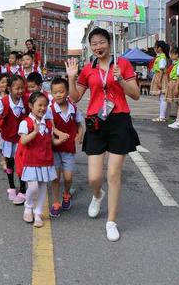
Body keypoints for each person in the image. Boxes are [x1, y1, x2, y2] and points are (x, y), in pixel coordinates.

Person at [66, 27, 140, 242]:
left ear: (110, 42)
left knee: (113, 175)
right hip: (96, 122)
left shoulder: (123, 64)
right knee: (94, 178)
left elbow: (135, 95)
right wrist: (72, 79)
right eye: (94, 43)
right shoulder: (88, 69)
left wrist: (121, 81)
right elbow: (75, 98)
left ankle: (111, 221)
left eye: (102, 42)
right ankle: (98, 195)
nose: (98, 47)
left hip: (119, 121)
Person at [16, 92, 65, 228]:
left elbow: (51, 141)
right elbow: (23, 140)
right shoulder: (26, 123)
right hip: (31, 161)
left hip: (45, 161)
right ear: (31, 106)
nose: (43, 108)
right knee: (33, 186)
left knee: (43, 187)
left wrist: (59, 141)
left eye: (45, 105)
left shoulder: (48, 124)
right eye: (40, 105)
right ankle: (28, 206)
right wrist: (34, 132)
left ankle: (38, 213)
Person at [48, 77, 84, 218]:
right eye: (55, 92)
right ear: (51, 93)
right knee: (56, 177)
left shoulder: (73, 109)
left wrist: (80, 135)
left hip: (69, 148)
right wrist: (58, 134)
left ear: (67, 92)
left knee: (68, 177)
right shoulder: (50, 109)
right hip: (55, 147)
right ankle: (56, 203)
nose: (58, 95)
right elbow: (51, 126)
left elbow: (80, 124)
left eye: (61, 91)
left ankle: (67, 194)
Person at [0, 75, 27, 205]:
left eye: (22, 88)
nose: (21, 91)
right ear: (10, 88)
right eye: (17, 88)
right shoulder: (4, 102)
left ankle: (23, 190)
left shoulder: (26, 101)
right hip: (8, 139)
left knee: (22, 164)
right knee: (10, 163)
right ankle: (11, 187)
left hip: (21, 140)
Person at [150, 40, 170, 122]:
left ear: (160, 48)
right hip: (159, 76)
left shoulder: (162, 57)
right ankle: (163, 116)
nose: (155, 48)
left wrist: (159, 81)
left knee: (163, 97)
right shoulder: (160, 56)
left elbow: (161, 70)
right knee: (162, 97)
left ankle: (162, 117)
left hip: (160, 77)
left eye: (156, 47)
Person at [165, 47, 179, 129]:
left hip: (176, 83)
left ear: (177, 54)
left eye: (172, 53)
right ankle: (178, 120)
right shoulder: (176, 63)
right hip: (173, 83)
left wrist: (176, 88)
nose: (171, 55)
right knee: (178, 103)